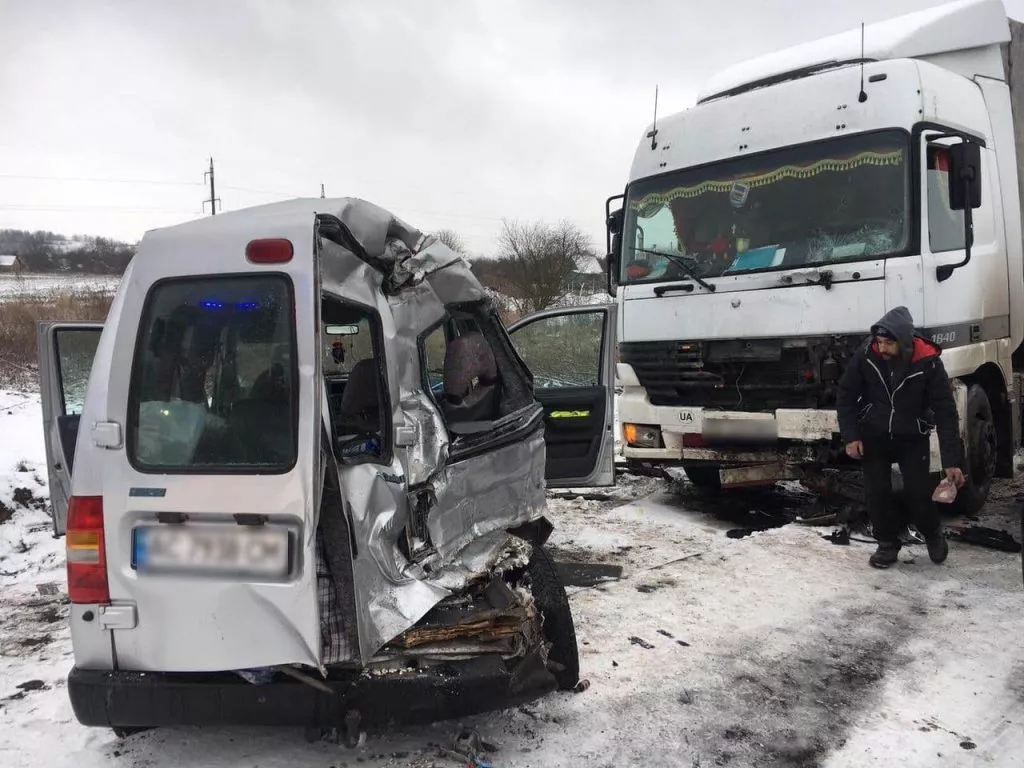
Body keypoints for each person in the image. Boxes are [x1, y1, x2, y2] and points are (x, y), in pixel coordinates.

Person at [836, 306, 966, 569]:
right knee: (876, 493)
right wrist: (851, 435)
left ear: (904, 342)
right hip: (874, 434)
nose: (882, 348)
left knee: (918, 492)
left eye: (888, 343)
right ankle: (887, 544)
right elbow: (846, 395)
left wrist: (952, 460)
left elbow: (945, 412)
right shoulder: (866, 355)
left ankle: (932, 534)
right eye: (879, 342)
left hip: (911, 436)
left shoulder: (927, 362)